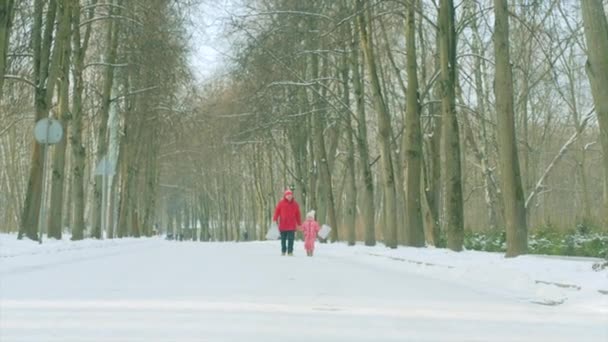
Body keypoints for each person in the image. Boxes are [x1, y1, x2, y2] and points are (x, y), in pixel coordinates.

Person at [272, 189, 301, 256]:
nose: (289, 196)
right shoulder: (281, 203)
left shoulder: (295, 204)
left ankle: (290, 251)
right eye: (287, 195)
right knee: (283, 240)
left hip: (292, 225)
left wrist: (299, 223)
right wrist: (274, 219)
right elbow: (277, 212)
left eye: (290, 195)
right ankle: (283, 251)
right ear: (285, 196)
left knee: (291, 239)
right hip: (283, 225)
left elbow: (298, 214)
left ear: (292, 196)